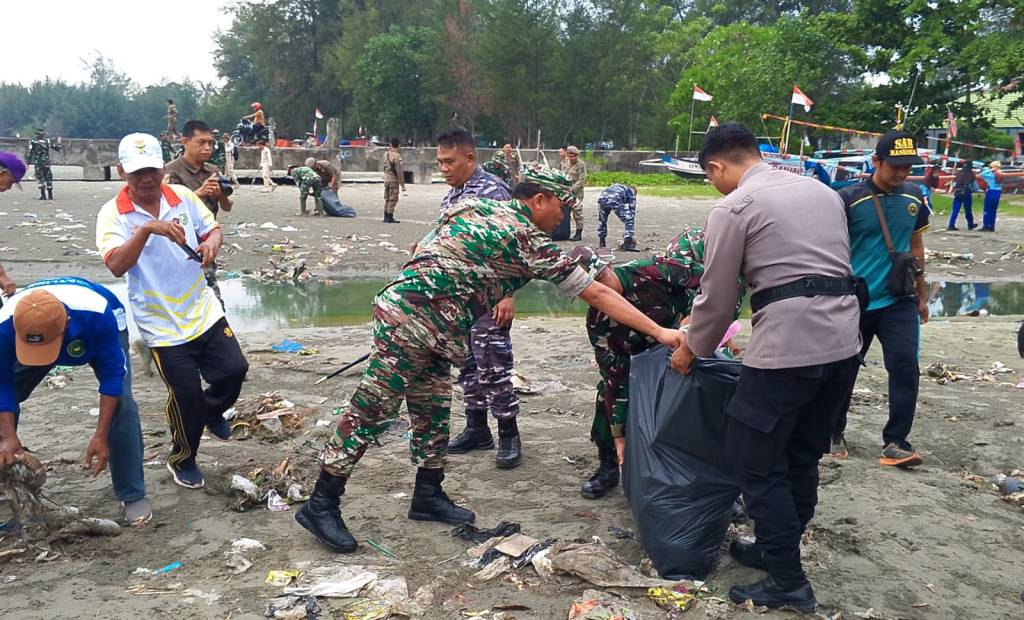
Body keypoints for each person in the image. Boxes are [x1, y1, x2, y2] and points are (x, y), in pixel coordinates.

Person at [295, 164, 684, 554]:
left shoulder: (475, 206)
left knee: (432, 407)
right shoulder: (526, 238)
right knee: (370, 410)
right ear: (539, 200)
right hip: (411, 322)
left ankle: (427, 494)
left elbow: (422, 247)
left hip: (430, 324)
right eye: (562, 208)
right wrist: (661, 331)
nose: (563, 217)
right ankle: (321, 503)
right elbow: (597, 294)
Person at [671, 123, 861, 612]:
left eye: (710, 176)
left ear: (717, 166)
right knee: (801, 454)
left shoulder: (734, 207)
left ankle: (788, 582)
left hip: (788, 347)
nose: (714, 184)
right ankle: (778, 551)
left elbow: (718, 298)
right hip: (843, 344)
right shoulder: (823, 192)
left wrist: (692, 348)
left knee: (753, 458)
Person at [97, 133, 248, 490]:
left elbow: (212, 227)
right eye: (137, 174)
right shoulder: (112, 214)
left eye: (151, 170)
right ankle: (183, 457)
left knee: (234, 368)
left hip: (201, 307)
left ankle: (212, 410)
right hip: (160, 322)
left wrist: (211, 242)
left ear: (162, 167)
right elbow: (117, 266)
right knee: (185, 396)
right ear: (122, 173)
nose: (146, 179)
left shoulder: (182, 197)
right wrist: (148, 229)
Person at [576, 226, 735, 498]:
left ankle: (716, 482)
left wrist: (694, 322)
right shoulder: (600, 324)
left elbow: (714, 284)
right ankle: (609, 465)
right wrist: (619, 438)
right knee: (606, 399)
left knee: (705, 398)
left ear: (610, 266)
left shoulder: (654, 270)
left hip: (687, 343)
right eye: (591, 286)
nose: (602, 287)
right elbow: (616, 379)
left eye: (602, 276)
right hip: (640, 362)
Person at [0, 277, 152, 525]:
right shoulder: (5, 326)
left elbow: (113, 379)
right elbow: (2, 382)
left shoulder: (99, 316)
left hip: (95, 328)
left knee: (122, 403)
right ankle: (6, 469)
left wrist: (101, 435)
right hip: (36, 327)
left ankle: (132, 494)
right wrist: (7, 436)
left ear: (67, 325)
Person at [830, 129, 929, 469]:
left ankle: (896, 441)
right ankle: (833, 432)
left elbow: (916, 247)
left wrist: (922, 295)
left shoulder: (915, 198)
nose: (902, 173)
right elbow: (833, 248)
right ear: (876, 161)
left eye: (908, 167)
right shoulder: (848, 198)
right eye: (895, 166)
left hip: (898, 299)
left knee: (905, 366)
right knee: (842, 370)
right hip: (854, 300)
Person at [433, 128, 522, 468]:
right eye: (440, 162)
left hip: (489, 297)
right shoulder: (452, 195)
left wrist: (507, 294)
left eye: (449, 161)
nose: (443, 168)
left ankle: (509, 435)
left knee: (494, 366)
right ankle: (477, 428)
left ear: (470, 158)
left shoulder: (492, 192)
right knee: (468, 366)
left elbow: (512, 246)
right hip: (458, 300)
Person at [163, 120, 235, 305]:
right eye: (201, 142)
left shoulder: (212, 171)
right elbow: (166, 211)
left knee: (211, 297)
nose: (207, 148)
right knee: (180, 297)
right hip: (179, 244)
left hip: (207, 242)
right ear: (185, 142)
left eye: (210, 143)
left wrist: (220, 195)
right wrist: (199, 193)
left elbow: (227, 207)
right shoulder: (171, 171)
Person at [978, 161, 1024, 232]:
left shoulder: (990, 175)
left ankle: (986, 225)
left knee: (987, 209)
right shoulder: (1001, 174)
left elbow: (982, 174)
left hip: (991, 191)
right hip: (998, 191)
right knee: (993, 209)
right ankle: (992, 226)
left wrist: (990, 170)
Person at [596, 183, 638, 251]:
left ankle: (602, 243)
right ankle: (627, 243)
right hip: (614, 198)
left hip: (602, 198)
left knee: (602, 220)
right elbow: (632, 211)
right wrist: (629, 232)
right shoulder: (631, 192)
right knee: (629, 220)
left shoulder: (617, 186)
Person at [25, 129, 62, 201]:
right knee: (48, 177)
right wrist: (59, 142)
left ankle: (43, 195)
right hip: (47, 162)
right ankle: (50, 195)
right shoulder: (47, 142)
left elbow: (30, 153)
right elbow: (57, 148)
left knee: (40, 178)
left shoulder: (33, 142)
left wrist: (28, 163)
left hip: (38, 163)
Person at [564, 146, 587, 241]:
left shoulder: (581, 164)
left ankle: (579, 232)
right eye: (571, 156)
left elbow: (581, 179)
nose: (572, 158)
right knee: (565, 213)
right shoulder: (565, 163)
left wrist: (573, 190)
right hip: (566, 191)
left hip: (577, 192)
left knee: (577, 212)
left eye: (574, 156)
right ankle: (565, 231)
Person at [381, 137, 406, 223]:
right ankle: (389, 216)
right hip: (393, 180)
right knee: (393, 198)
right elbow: (399, 171)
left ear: (390, 144)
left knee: (387, 198)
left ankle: (385, 216)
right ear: (398, 146)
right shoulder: (397, 156)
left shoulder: (385, 154)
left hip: (386, 178)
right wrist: (402, 184)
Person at [949, 160, 977, 231]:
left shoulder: (960, 172)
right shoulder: (971, 173)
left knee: (955, 209)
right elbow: (973, 184)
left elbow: (955, 181)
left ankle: (951, 224)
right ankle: (970, 224)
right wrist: (977, 190)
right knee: (968, 209)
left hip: (957, 191)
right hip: (966, 192)